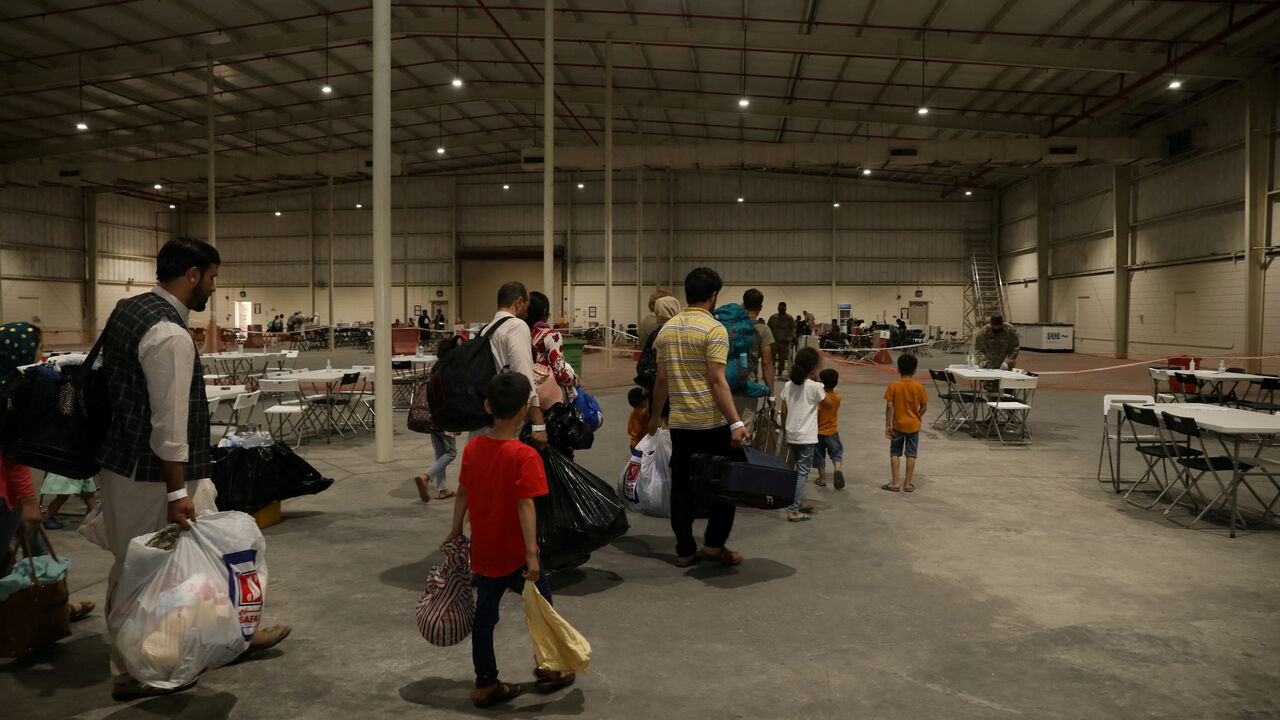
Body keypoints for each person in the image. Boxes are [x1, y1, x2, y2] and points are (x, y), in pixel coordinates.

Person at [96, 238, 289, 702]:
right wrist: (174, 492)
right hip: (154, 477)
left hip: (120, 465)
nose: (213, 287)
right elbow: (170, 422)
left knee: (168, 560)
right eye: (211, 276)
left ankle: (229, 636)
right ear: (191, 275)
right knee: (152, 571)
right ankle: (136, 666)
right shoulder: (169, 335)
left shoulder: (129, 308)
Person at [440, 371, 574, 708]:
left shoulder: (473, 448)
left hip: (485, 554)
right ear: (522, 412)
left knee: (485, 618)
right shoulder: (525, 456)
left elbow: (463, 493)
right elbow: (526, 505)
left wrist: (456, 529)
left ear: (487, 405)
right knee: (543, 609)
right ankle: (551, 668)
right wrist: (531, 555)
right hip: (517, 554)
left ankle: (485, 683)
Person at [647, 267, 748, 567]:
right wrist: (736, 422)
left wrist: (655, 416)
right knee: (723, 485)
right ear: (714, 295)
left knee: (682, 485)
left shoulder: (667, 330)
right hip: (712, 424)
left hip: (680, 424)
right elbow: (718, 381)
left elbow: (661, 380)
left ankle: (684, 549)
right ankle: (714, 546)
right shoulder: (715, 329)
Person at [0, 322, 94, 624]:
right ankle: (42, 612)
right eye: (39, 349)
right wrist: (28, 502)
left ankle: (55, 606)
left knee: (37, 549)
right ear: (20, 352)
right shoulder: (7, 397)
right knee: (18, 552)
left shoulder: (15, 384)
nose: (43, 356)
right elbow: (11, 457)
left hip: (12, 492)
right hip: (7, 495)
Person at [478, 282, 546, 449]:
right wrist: (539, 424)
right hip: (506, 425)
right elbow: (523, 376)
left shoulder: (484, 331)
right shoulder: (516, 326)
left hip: (484, 422)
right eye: (527, 305)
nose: (527, 311)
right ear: (519, 301)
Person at [778, 347, 831, 522]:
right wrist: (820, 384)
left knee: (796, 470)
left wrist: (785, 432)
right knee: (803, 473)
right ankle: (794, 510)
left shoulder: (788, 384)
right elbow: (829, 405)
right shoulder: (815, 386)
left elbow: (784, 410)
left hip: (792, 434)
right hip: (806, 437)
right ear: (814, 367)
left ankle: (796, 501)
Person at [415, 336, 465, 503]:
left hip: (432, 416)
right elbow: (454, 396)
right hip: (445, 416)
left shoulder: (435, 368)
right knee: (451, 453)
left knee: (440, 453)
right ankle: (426, 476)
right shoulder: (452, 370)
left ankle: (442, 489)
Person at [883, 354, 928, 493]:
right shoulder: (919, 386)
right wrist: (916, 417)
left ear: (898, 370)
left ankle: (895, 482)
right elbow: (924, 407)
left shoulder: (894, 386)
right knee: (911, 454)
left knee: (895, 452)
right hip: (913, 426)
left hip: (898, 425)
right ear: (915, 370)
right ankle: (908, 484)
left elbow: (890, 406)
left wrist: (888, 425)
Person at [732, 289, 774, 435]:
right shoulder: (763, 329)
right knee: (744, 430)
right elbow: (767, 364)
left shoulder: (731, 325)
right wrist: (771, 394)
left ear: (742, 304)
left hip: (726, 385)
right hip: (747, 386)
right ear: (761, 307)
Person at [525, 291, 578, 406]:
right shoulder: (551, 335)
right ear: (545, 311)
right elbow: (560, 374)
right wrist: (575, 380)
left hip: (523, 393)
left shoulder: (519, 332)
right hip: (545, 399)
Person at [813, 368, 844, 490]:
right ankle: (837, 469)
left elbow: (817, 413)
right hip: (832, 431)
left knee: (819, 454)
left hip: (819, 431)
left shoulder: (821, 399)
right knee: (836, 452)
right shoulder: (837, 397)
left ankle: (822, 478)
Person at [766, 301, 795, 379]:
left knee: (782, 359)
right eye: (780, 307)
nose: (781, 308)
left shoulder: (789, 318)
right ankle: (771, 373)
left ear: (786, 308)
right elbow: (768, 328)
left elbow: (793, 328)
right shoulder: (773, 317)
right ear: (777, 308)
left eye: (783, 307)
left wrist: (791, 337)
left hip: (784, 342)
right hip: (774, 341)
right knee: (771, 358)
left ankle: (779, 374)